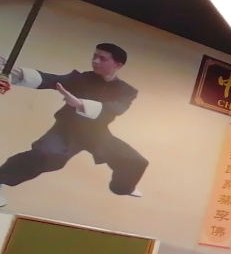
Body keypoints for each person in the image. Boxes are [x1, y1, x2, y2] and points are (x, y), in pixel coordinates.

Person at [0, 43, 147, 207]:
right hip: (65, 130)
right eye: (94, 57)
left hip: (97, 134)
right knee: (44, 155)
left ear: (118, 65)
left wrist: (80, 104)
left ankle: (123, 188)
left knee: (136, 162)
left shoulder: (127, 90)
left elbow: (115, 108)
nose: (95, 61)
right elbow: (52, 80)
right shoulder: (81, 78)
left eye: (102, 59)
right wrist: (17, 72)